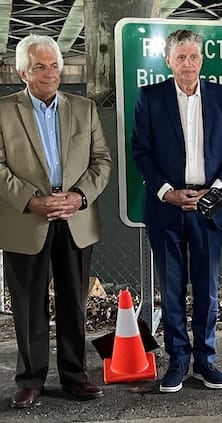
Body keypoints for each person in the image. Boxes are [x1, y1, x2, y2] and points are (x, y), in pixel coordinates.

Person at [0, 34, 112, 408]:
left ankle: (74, 376)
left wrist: (78, 197)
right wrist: (31, 201)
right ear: (22, 73)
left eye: (54, 65)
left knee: (74, 302)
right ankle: (30, 380)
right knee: (29, 305)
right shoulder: (3, 111)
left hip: (75, 218)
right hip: (26, 220)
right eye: (39, 67)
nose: (50, 73)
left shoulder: (84, 108)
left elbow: (102, 161)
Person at [131, 29, 222, 393]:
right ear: (168, 61)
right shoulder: (150, 98)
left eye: (194, 56)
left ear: (202, 60)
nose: (188, 64)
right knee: (172, 289)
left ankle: (205, 360)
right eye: (181, 57)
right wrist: (168, 193)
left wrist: (215, 190)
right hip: (166, 207)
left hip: (210, 206)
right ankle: (177, 360)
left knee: (207, 289)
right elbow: (141, 152)